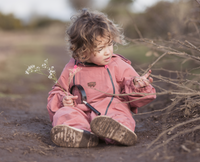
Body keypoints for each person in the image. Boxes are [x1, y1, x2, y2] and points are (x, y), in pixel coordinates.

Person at [47, 9, 156, 148]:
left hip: (109, 112)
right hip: (81, 112)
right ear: (83, 51)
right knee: (65, 113)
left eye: (110, 44)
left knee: (118, 110)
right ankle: (79, 133)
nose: (108, 51)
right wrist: (63, 99)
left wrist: (138, 85)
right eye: (100, 48)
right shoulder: (72, 68)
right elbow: (58, 91)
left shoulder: (117, 64)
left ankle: (117, 131)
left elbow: (133, 95)